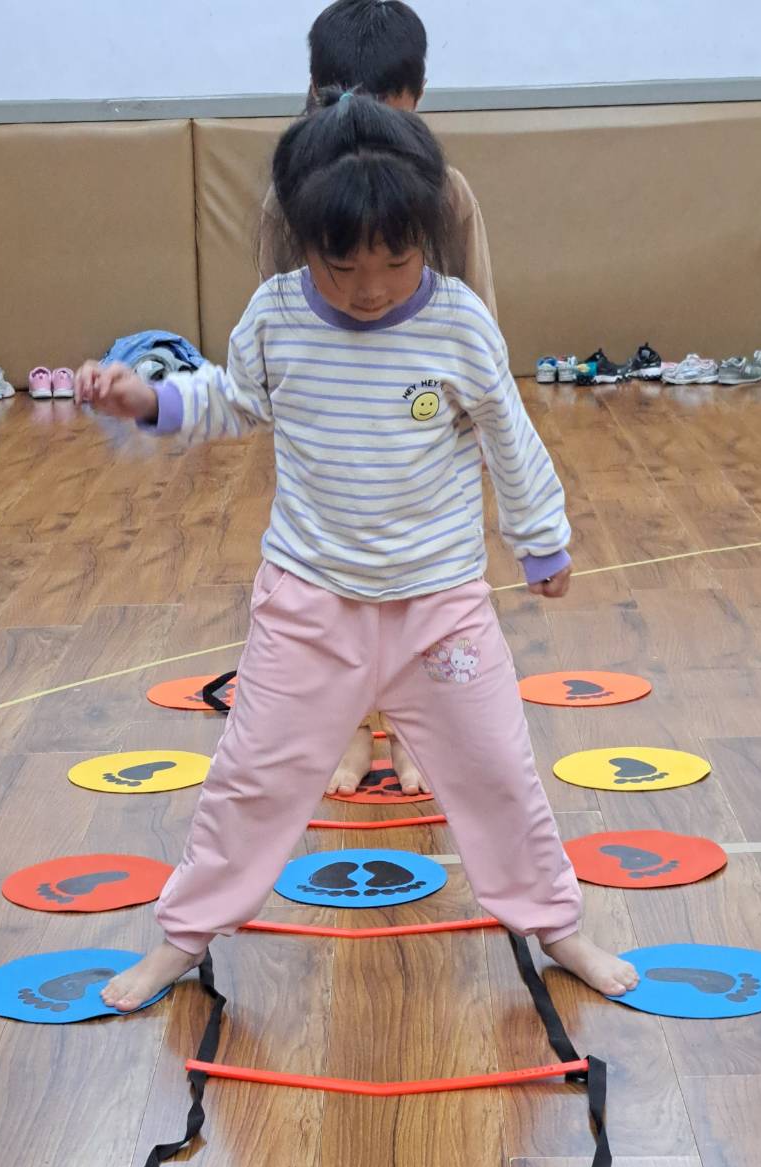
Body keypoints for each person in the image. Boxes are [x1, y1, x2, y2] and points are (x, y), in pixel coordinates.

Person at [76, 91, 638, 1012]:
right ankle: (182, 938)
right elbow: (231, 399)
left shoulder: (457, 321)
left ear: (427, 239)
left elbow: (509, 433)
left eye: (396, 259)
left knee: (499, 773)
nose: (371, 287)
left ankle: (555, 923)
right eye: (342, 265)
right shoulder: (276, 316)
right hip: (309, 605)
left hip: (441, 610)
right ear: (304, 243)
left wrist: (541, 539)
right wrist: (150, 399)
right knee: (250, 780)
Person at [259, 0, 498, 798]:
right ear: (316, 94)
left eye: (389, 115)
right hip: (332, 431)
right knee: (334, 592)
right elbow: (276, 317)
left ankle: (424, 727)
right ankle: (353, 729)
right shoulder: (290, 197)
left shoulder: (447, 195)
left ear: (417, 100)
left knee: (430, 597)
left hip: (423, 431)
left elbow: (479, 319)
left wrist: (473, 418)